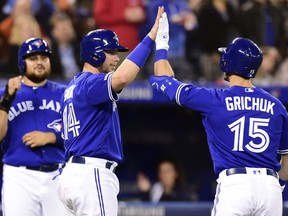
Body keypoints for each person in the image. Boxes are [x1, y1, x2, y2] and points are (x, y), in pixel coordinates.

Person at [148, 12, 288, 215]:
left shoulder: (215, 99)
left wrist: (161, 44)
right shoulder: (277, 106)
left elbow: (163, 77)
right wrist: (273, 183)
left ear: (228, 63)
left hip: (236, 185)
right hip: (270, 188)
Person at [56, 6, 164, 216]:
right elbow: (122, 78)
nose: (116, 57)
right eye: (111, 52)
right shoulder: (89, 83)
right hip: (91, 173)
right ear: (95, 55)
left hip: (71, 174)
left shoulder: (72, 86)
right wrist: (150, 38)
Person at [0, 38, 68, 215]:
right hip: (19, 176)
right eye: (33, 58)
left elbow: (79, 131)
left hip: (58, 173)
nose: (39, 62)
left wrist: (51, 136)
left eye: (44, 58)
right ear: (22, 62)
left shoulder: (65, 93)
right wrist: (6, 101)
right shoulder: (5, 93)